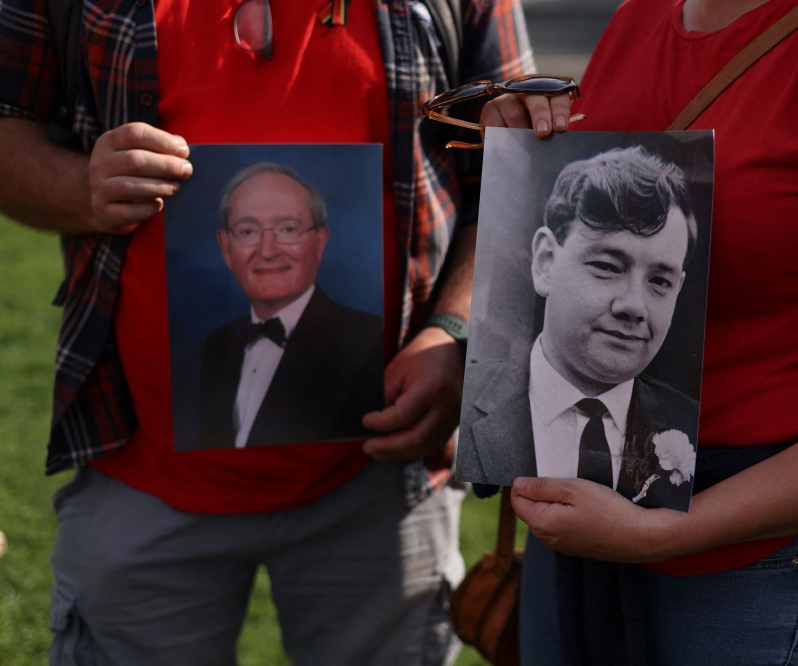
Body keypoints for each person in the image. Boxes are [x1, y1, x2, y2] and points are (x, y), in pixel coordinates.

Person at [0, 0, 534, 663]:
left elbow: (515, 171)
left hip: (378, 484)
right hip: (138, 470)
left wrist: (454, 334)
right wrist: (82, 187)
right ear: (226, 246)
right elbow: (7, 124)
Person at [473, 0, 798, 662]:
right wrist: (529, 149)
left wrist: (659, 535)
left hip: (750, 573)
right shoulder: (644, 16)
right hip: (580, 545)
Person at [457, 146, 699, 510]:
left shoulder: (691, 423)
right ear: (546, 262)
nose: (634, 305)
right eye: (607, 266)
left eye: (660, 282)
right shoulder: (470, 403)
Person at [198, 162, 383, 449]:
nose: (268, 251)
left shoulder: (370, 341)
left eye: (288, 229)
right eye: (248, 232)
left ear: (319, 241)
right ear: (226, 247)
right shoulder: (217, 346)